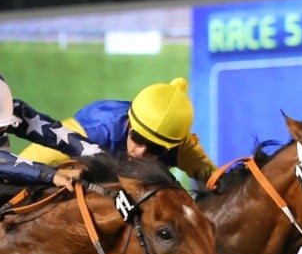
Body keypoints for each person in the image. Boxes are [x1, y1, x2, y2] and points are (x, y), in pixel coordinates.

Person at [18, 77, 217, 184]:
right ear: (130, 123)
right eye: (137, 138)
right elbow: (24, 164)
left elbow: (216, 179)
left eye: (155, 149)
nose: (140, 152)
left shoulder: (182, 146)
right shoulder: (95, 129)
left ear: (174, 146)